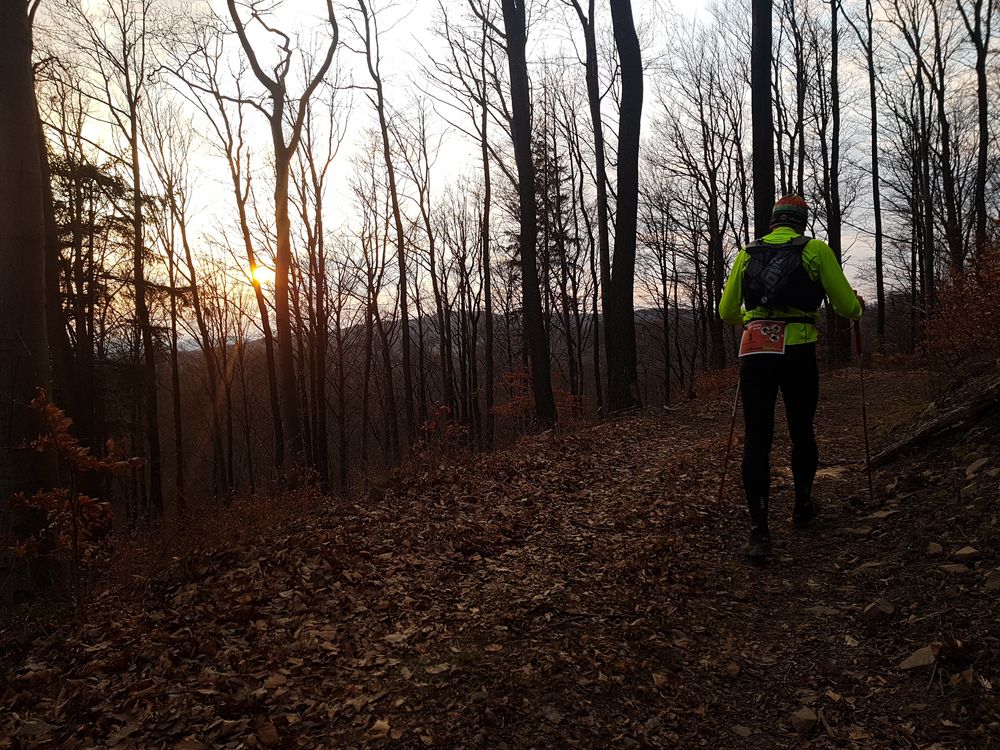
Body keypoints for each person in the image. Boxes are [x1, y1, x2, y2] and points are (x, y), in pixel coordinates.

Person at [719, 195, 863, 563]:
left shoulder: (747, 252)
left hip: (756, 350)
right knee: (801, 430)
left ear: (773, 221)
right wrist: (857, 307)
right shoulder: (815, 250)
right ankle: (802, 507)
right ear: (801, 222)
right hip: (799, 350)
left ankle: (759, 531)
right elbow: (846, 306)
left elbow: (725, 311)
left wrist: (750, 319)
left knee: (757, 437)